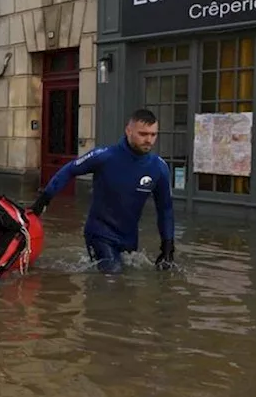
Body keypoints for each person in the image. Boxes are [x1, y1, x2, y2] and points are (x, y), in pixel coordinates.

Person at [29, 108, 176, 273]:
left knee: (128, 282)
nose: (149, 140)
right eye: (143, 134)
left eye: (153, 134)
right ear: (128, 131)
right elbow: (70, 169)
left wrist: (168, 247)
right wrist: (44, 199)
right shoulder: (104, 156)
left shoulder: (158, 167)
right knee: (111, 275)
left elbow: (165, 209)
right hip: (99, 232)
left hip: (129, 238)